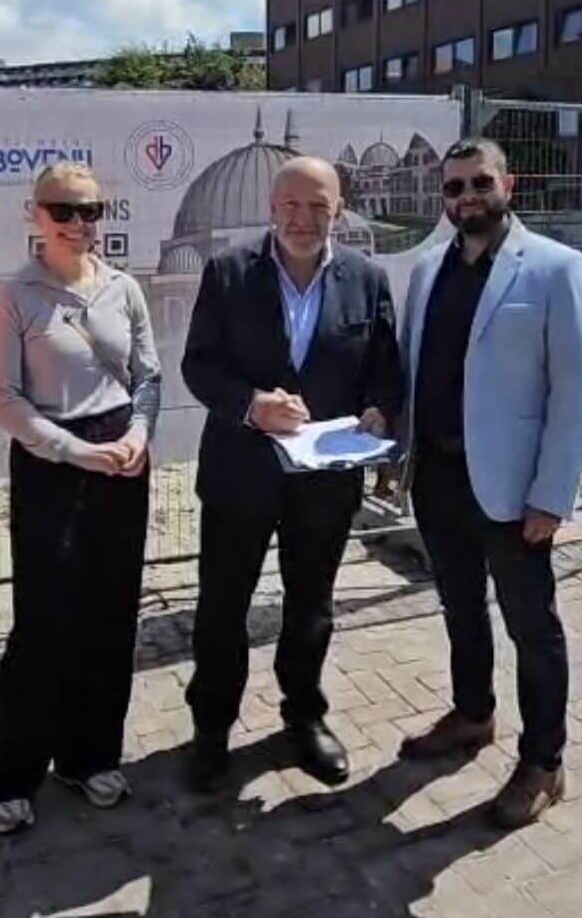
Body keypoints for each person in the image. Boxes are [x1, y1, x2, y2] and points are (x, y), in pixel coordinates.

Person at [399, 138, 582, 828]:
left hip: (514, 490)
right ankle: (472, 713)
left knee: (532, 627)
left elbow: (577, 389)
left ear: (507, 184)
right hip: (437, 475)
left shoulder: (556, 268)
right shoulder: (428, 270)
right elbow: (414, 367)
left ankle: (544, 762)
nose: (467, 197)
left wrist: (553, 493)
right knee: (460, 607)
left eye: (479, 182)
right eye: (454, 187)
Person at [182, 156, 404, 792]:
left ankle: (304, 717)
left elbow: (384, 368)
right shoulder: (229, 273)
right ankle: (212, 727)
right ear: (271, 209)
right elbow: (200, 366)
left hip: (325, 482)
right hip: (240, 474)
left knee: (311, 606)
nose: (303, 219)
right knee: (223, 607)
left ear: (339, 211)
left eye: (317, 206)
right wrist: (252, 405)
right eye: (290, 206)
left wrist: (380, 409)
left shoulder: (367, 278)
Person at [0, 162, 160, 835]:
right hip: (51, 463)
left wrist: (139, 432)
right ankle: (12, 773)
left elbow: (148, 375)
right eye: (64, 209)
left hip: (121, 456)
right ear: (35, 214)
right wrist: (72, 450)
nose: (78, 223)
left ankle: (90, 756)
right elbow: (1, 397)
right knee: (43, 622)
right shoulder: (15, 296)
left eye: (91, 210)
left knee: (111, 614)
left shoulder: (123, 288)